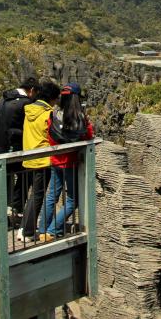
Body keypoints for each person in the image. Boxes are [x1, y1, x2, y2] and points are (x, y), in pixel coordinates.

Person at [39, 83, 94, 241]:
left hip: (55, 160)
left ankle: (42, 230)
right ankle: (53, 229)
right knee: (73, 199)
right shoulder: (79, 118)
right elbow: (88, 136)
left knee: (51, 196)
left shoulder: (53, 114)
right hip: (71, 162)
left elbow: (50, 135)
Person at [0, 77, 37, 222]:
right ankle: (14, 210)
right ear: (32, 90)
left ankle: (4, 212)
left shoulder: (4, 99)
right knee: (25, 175)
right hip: (12, 147)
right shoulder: (25, 103)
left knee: (4, 180)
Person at [16, 78, 60, 242]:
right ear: (51, 98)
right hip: (43, 159)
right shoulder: (48, 113)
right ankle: (27, 231)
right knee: (38, 196)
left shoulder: (28, 111)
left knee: (34, 195)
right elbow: (54, 136)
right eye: (56, 99)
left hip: (29, 157)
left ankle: (24, 228)